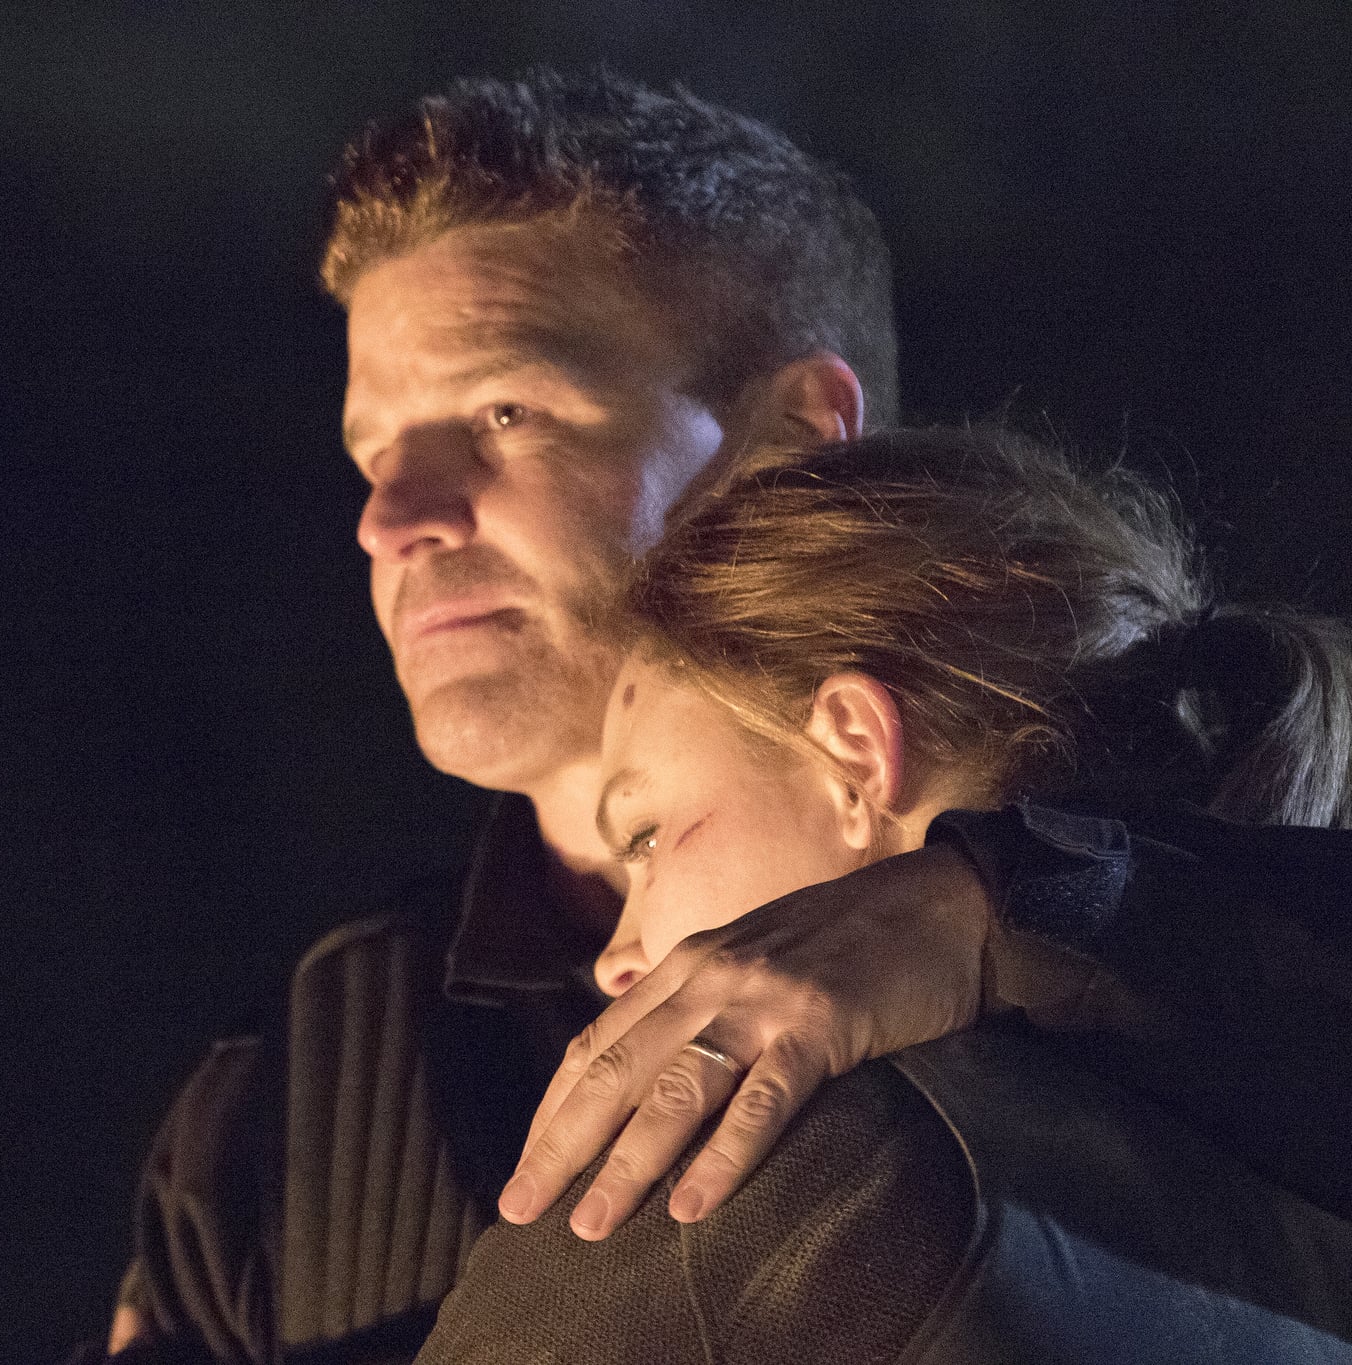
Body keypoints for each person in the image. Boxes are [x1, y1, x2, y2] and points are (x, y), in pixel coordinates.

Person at [86, 71, 1352, 1365]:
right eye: (372, 454)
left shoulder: (1218, 895)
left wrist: (987, 910)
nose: (391, 518)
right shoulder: (294, 1089)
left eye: (503, 413)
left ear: (796, 433)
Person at [417, 425, 1352, 1364]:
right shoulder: (1278, 1155)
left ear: (855, 754)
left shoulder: (748, 1198)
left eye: (648, 835)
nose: (613, 959)